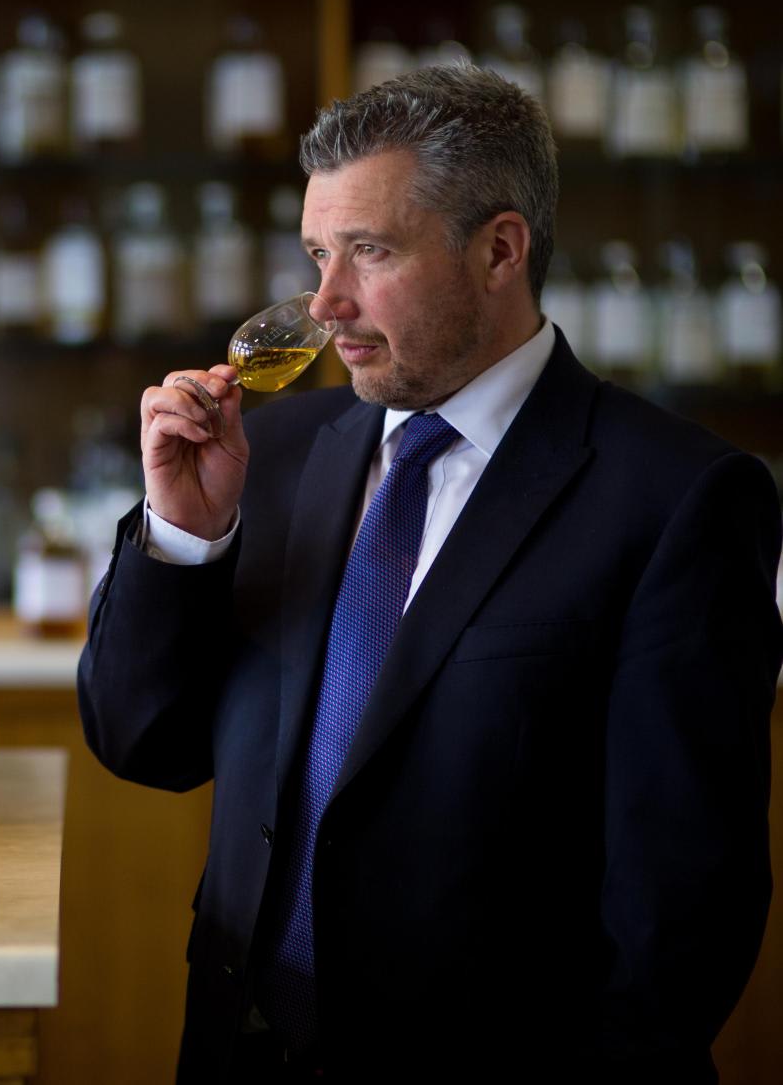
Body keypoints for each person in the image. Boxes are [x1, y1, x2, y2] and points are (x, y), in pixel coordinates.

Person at [77, 64, 781, 1083]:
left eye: (370, 251)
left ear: (500, 249)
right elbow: (144, 744)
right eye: (318, 254)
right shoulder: (271, 453)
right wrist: (185, 536)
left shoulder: (677, 497)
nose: (327, 303)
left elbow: (684, 910)